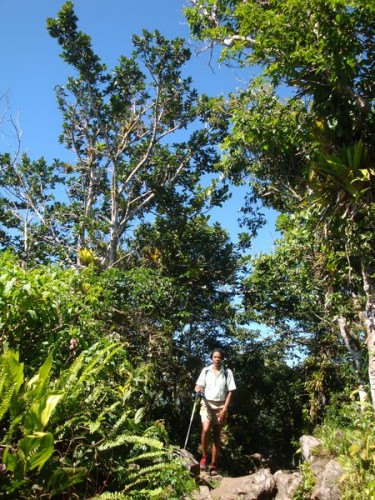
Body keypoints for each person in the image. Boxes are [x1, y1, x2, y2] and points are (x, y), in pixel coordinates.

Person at [195, 348, 236, 475]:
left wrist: (225, 409)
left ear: (222, 358)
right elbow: (198, 385)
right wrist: (197, 388)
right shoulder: (206, 371)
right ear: (211, 358)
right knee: (206, 429)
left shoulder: (227, 372)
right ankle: (204, 457)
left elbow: (231, 391)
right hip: (206, 404)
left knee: (217, 434)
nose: (217, 359)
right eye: (215, 357)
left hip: (220, 406)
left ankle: (213, 465)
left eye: (219, 357)